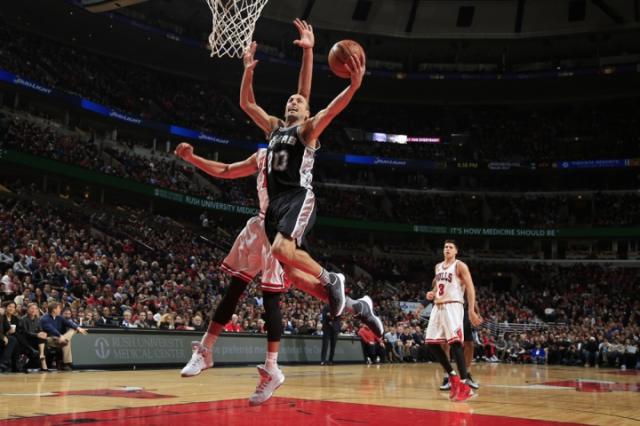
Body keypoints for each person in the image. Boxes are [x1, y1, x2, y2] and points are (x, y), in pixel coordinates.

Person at [177, 19, 382, 407]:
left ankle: (320, 298)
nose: (293, 100)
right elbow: (246, 105)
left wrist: (319, 59)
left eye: (298, 101)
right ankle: (354, 305)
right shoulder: (272, 134)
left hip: (296, 200)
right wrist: (248, 71)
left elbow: (322, 104)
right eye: (289, 100)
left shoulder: (307, 130)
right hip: (271, 213)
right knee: (290, 271)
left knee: (282, 267)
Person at [426, 240, 482, 402]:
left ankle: (465, 385)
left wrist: (471, 310)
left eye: (450, 247)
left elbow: (470, 288)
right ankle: (453, 377)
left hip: (453, 306)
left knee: (455, 343)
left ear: (456, 251)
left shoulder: (460, 266)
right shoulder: (437, 267)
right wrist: (431, 293)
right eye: (445, 247)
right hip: (438, 306)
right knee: (431, 342)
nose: (447, 249)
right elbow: (438, 287)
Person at [40, 301, 88, 370]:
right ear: (54, 310)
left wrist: (78, 328)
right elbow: (52, 329)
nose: (60, 310)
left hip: (60, 339)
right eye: (59, 308)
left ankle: (66, 364)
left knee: (73, 330)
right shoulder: (44, 319)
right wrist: (60, 335)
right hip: (49, 339)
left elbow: (69, 323)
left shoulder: (59, 317)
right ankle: (67, 363)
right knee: (67, 341)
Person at [17, 302, 49, 371]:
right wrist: (37, 334)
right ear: (28, 309)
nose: (34, 310)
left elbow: (40, 330)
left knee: (43, 339)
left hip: (36, 339)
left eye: (35, 309)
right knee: (41, 340)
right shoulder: (23, 319)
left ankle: (42, 357)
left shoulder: (38, 319)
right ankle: (43, 364)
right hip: (26, 340)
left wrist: (43, 333)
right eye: (32, 308)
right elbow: (25, 332)